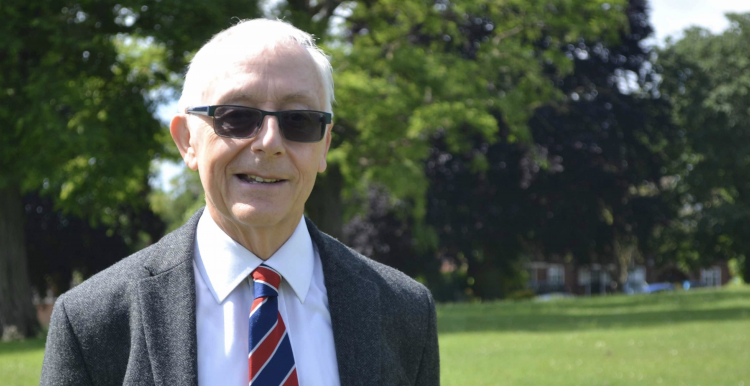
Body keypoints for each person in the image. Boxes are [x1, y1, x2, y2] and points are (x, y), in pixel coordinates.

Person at [40, 18, 439, 386]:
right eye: (236, 116)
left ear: (324, 146)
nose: (269, 142)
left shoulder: (404, 311)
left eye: (298, 120)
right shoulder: (92, 322)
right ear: (186, 141)